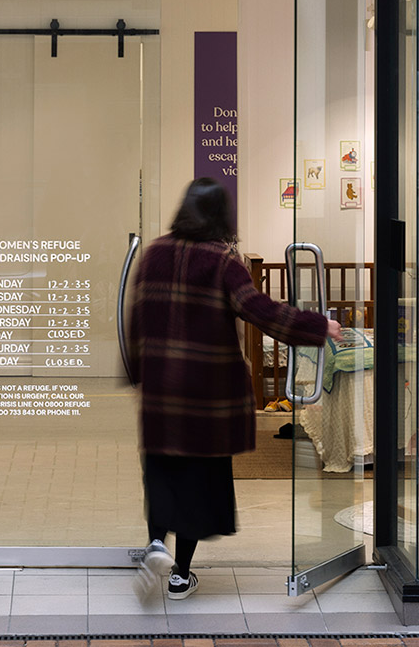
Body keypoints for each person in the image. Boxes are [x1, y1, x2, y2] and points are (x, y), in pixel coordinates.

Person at [126, 178, 340, 600]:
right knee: (198, 481)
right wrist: (318, 324)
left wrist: (138, 373)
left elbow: (137, 320)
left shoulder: (153, 254)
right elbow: (262, 312)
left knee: (163, 472)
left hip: (162, 392)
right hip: (207, 396)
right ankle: (179, 576)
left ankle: (155, 545)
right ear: (222, 216)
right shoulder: (223, 262)